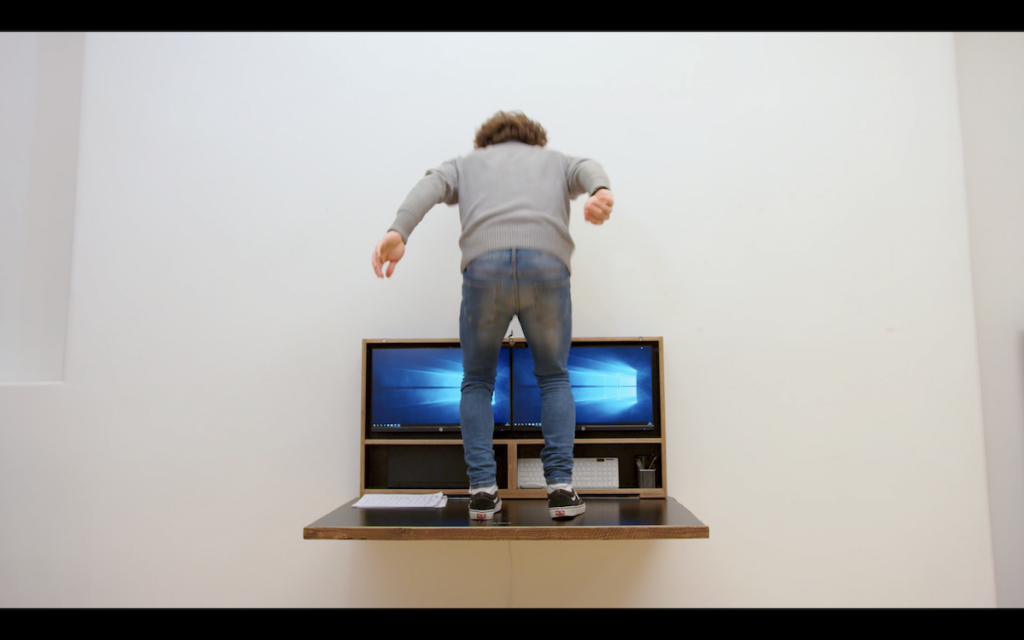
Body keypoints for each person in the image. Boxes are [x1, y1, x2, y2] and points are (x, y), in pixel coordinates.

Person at [371, 111, 614, 520]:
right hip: (547, 265)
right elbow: (587, 167)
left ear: (484, 142)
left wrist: (399, 231)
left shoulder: (465, 164)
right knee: (553, 378)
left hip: (484, 268)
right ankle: (561, 490)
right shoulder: (555, 160)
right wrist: (599, 191)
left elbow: (430, 184)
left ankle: (482, 491)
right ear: (535, 140)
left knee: (477, 380)